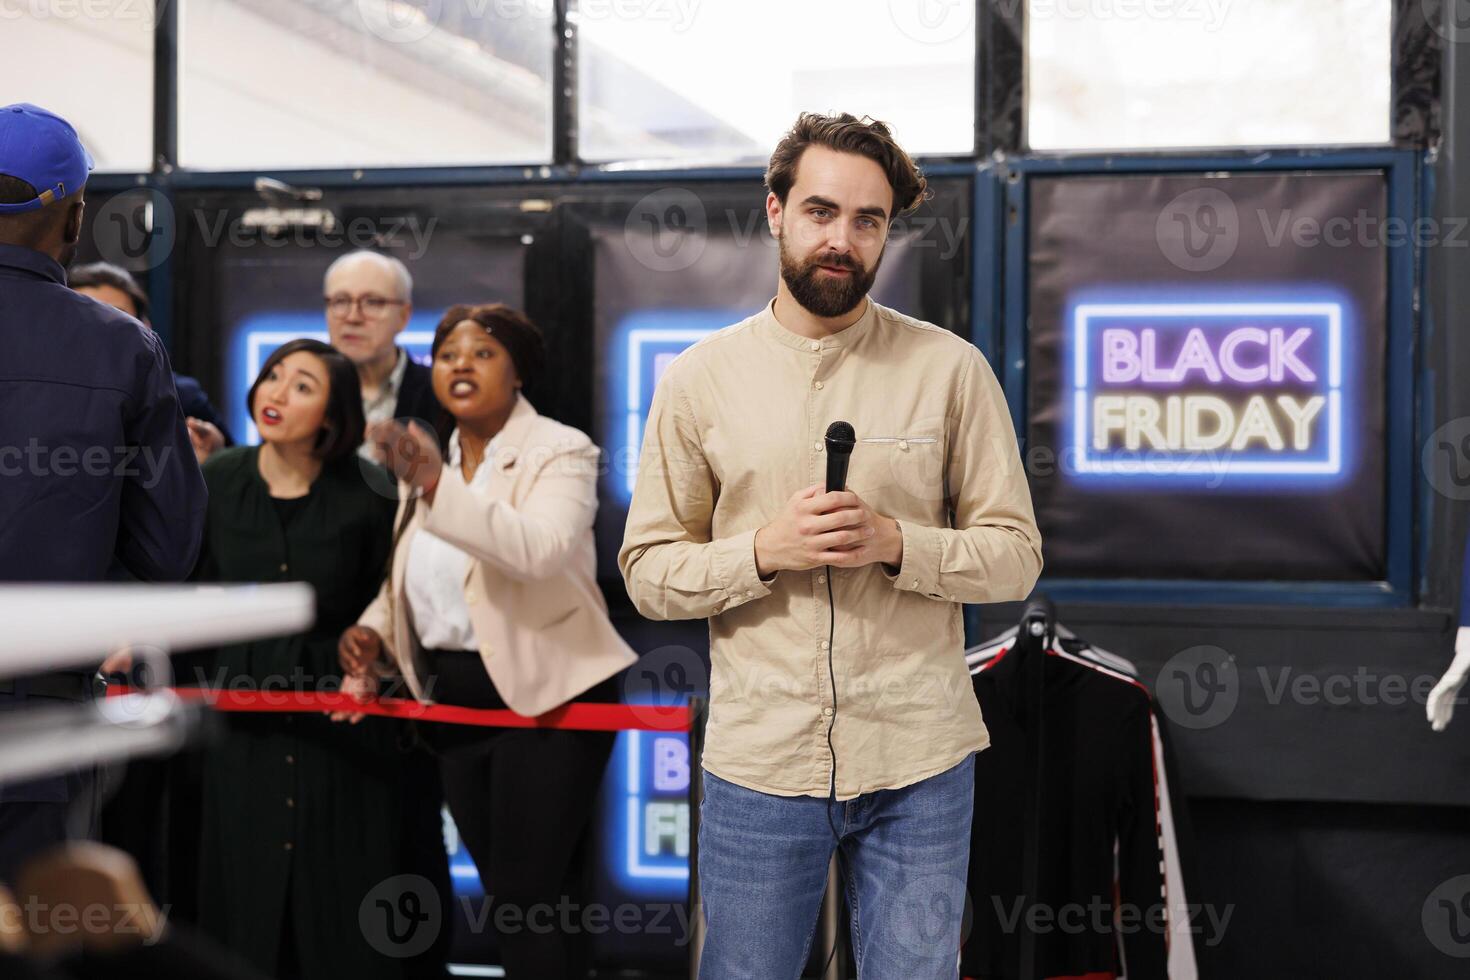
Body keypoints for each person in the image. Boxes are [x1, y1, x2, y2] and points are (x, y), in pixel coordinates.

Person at [618, 112, 1044, 978]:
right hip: (761, 760)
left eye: (868, 219)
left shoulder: (950, 369)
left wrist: (898, 543)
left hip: (920, 756)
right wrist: (762, 552)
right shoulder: (699, 379)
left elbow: (1015, 555)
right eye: (820, 211)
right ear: (775, 211)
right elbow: (648, 573)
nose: (841, 239)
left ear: (889, 230)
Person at [337, 304, 637, 978]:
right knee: (523, 897)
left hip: (553, 700)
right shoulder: (434, 463)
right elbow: (413, 579)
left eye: (482, 353)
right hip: (456, 706)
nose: (460, 365)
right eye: (446, 355)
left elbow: (538, 551)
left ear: (519, 370)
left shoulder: (561, 450)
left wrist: (437, 484)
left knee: (522, 898)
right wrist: (372, 633)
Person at [0, 103, 206, 885]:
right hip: (43, 718)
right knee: (38, 933)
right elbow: (169, 550)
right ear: (74, 216)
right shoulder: (123, 347)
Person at [191, 339, 408, 980]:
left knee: (340, 902)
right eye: (272, 376)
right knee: (245, 895)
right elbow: (188, 589)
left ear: (335, 416)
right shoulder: (218, 479)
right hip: (240, 717)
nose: (276, 393)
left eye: (303, 385)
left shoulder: (372, 490)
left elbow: (394, 597)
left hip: (344, 720)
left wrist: (373, 658)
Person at [69, 261, 233, 464]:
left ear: (144, 328)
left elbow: (239, 473)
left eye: (117, 320)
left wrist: (214, 462)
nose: (102, 334)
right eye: (87, 320)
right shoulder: (39, 395)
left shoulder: (179, 396)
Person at [322, 250, 441, 460]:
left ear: (404, 316)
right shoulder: (307, 393)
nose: (353, 317)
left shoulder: (440, 393)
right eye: (340, 301)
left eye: (372, 302)